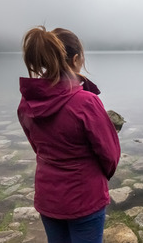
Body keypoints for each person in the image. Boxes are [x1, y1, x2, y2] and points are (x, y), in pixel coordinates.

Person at [17, 26, 121, 243]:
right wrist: (96, 178)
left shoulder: (27, 102)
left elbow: (37, 147)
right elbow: (110, 154)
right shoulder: (86, 102)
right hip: (85, 198)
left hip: (48, 196)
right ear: (76, 59)